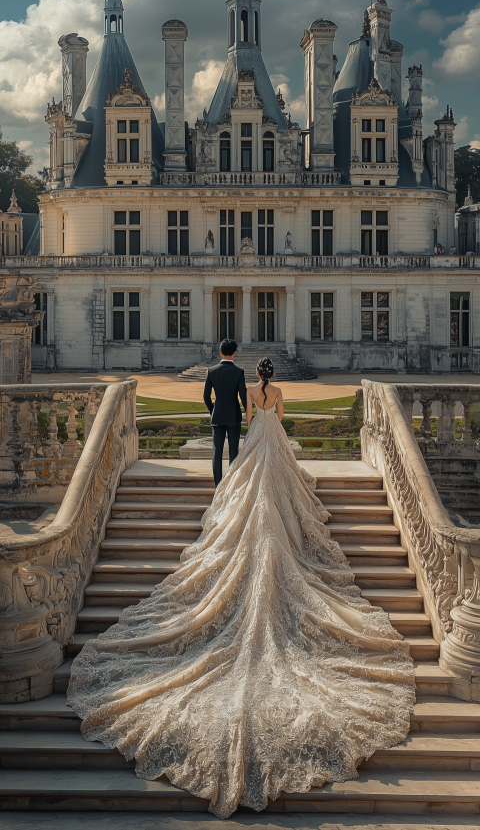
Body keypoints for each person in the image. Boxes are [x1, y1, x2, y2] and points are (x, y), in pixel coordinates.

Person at [67, 357, 415, 820]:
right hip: (276, 445)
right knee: (283, 496)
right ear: (276, 376)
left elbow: (250, 418)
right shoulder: (278, 393)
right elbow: (278, 420)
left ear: (257, 375)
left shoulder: (250, 392)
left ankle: (227, 491)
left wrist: (246, 413)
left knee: (240, 481)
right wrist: (270, 415)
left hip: (252, 439)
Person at [203, 338, 247, 487]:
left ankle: (218, 486)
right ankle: (232, 486)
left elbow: (206, 396)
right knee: (234, 450)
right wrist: (248, 414)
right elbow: (243, 396)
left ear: (220, 352)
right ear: (235, 353)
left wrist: (212, 410)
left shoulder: (211, 371)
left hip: (218, 415)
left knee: (217, 451)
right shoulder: (239, 372)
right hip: (234, 415)